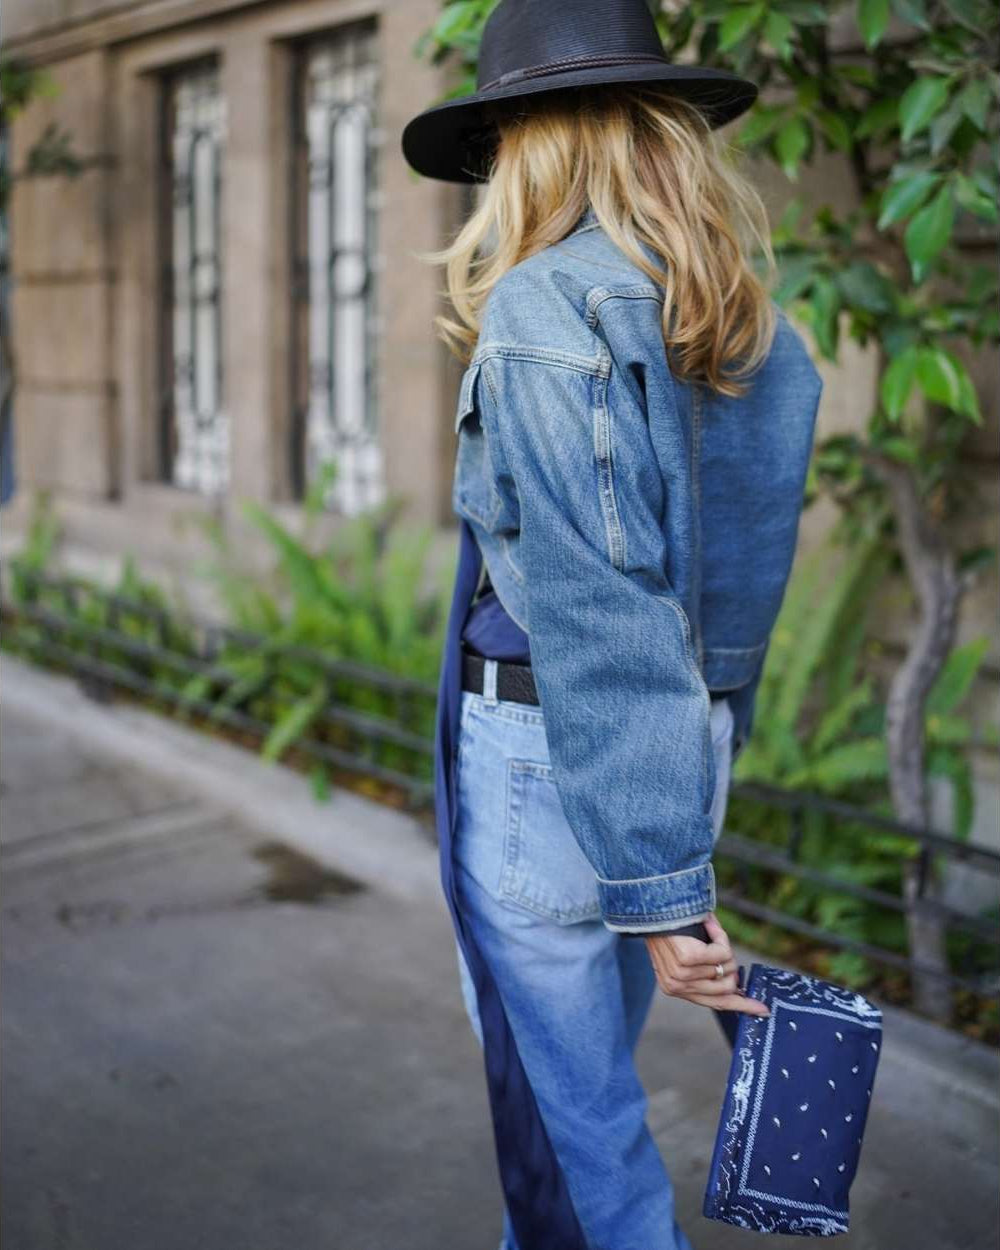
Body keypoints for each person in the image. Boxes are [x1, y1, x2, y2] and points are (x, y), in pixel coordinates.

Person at [401, 2, 822, 1247]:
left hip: (555, 755)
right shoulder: (748, 320)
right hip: (677, 745)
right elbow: (719, 602)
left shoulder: (546, 308)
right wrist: (669, 861)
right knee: (587, 1110)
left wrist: (654, 880)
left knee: (575, 1155)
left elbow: (598, 614)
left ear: (531, 142)